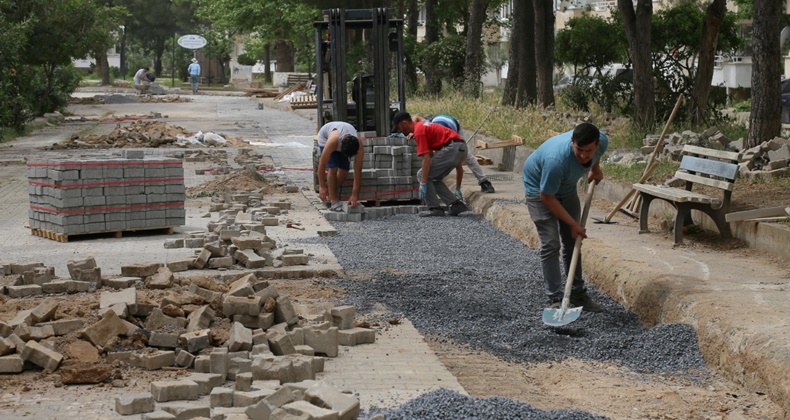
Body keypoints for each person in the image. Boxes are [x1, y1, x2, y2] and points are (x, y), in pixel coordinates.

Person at [522, 122, 607, 313]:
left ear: (597, 143)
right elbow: (547, 197)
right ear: (572, 142)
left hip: (566, 189)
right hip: (539, 190)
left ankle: (577, 293)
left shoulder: (602, 142)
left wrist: (595, 168)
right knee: (551, 242)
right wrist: (573, 223)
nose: (585, 155)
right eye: (579, 150)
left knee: (572, 241)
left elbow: (597, 154)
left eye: (589, 151)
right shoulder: (556, 161)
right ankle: (555, 298)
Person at [391, 111, 470, 217]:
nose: (400, 131)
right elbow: (430, 154)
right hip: (459, 148)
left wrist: (423, 182)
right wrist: (427, 177)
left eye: (399, 128)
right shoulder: (421, 127)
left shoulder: (419, 131)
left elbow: (426, 158)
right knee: (434, 178)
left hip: (453, 148)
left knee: (421, 174)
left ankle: (435, 208)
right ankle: (456, 205)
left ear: (404, 123)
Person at [417, 113, 496, 196]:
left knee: (467, 157)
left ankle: (484, 181)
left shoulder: (446, 140)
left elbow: (458, 166)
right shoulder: (427, 132)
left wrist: (458, 187)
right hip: (443, 127)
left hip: (453, 128)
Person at [316, 121, 364, 211]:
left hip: (343, 136)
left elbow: (358, 171)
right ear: (340, 146)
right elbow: (322, 164)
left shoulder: (358, 145)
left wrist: (355, 194)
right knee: (333, 167)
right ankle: (334, 200)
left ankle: (331, 193)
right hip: (325, 137)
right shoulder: (332, 142)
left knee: (344, 169)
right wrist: (322, 186)